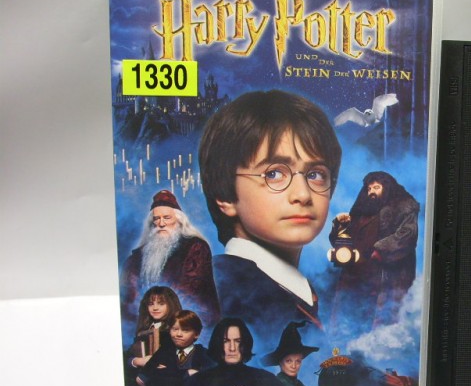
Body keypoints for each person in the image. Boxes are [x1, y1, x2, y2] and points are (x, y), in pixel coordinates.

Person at [198, 90, 342, 351]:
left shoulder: (294, 289)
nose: (303, 194)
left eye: (316, 174)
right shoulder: (226, 293)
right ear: (225, 196)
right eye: (274, 173)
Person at [329, 171, 419, 327]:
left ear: (387, 188)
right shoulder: (361, 212)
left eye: (376, 187)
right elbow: (340, 244)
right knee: (348, 320)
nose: (371, 192)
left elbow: (407, 235)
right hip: (355, 275)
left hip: (382, 276)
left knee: (380, 321)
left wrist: (380, 250)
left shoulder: (402, 207)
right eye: (369, 188)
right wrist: (339, 226)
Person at [120, 190, 219, 327]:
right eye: (156, 219)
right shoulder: (138, 257)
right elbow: (129, 295)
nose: (161, 223)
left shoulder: (195, 247)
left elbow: (189, 292)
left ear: (179, 221)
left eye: (167, 218)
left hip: (187, 323)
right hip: (148, 322)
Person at [182, 317, 310, 386]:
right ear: (217, 344)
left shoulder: (264, 379)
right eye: (226, 341)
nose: (232, 348)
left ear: (245, 344)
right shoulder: (199, 381)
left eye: (238, 341)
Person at [136, 309, 214, 386]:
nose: (178, 334)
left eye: (185, 330)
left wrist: (162, 375)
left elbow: (210, 382)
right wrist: (186, 374)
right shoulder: (163, 352)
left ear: (196, 334)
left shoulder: (204, 354)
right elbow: (141, 379)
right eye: (174, 329)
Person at [262, 321, 321, 386]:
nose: (294, 366)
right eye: (288, 361)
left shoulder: (298, 385)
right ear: (280, 362)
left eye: (298, 361)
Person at [126, 285, 181, 370]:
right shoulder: (144, 330)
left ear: (171, 305)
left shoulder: (176, 331)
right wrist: (137, 361)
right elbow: (128, 356)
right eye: (151, 304)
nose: (155, 308)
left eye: (161, 304)